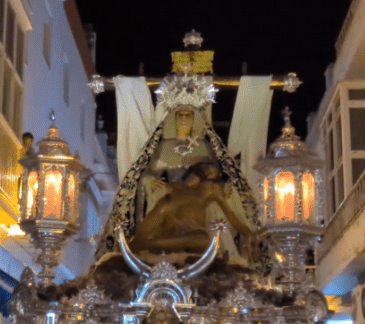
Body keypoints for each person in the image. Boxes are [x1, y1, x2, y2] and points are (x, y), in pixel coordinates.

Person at [95, 94, 267, 274]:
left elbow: (230, 212)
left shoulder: (205, 160)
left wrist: (250, 233)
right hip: (169, 201)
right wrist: (149, 180)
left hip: (191, 221)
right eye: (180, 115)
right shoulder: (165, 151)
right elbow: (147, 173)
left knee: (203, 237)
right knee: (163, 202)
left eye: (188, 115)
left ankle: (146, 245)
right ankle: (140, 245)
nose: (184, 119)